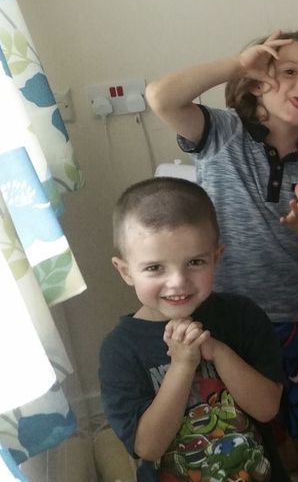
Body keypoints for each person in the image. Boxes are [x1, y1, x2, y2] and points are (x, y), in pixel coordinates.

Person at [145, 28, 298, 481]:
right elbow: (161, 97)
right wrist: (237, 64)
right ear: (258, 81)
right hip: (232, 315)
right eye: (290, 72)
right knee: (243, 419)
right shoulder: (221, 133)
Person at [99, 177, 287, 482]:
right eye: (154, 268)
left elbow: (267, 409)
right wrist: (182, 365)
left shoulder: (243, 316)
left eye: (195, 262)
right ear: (126, 271)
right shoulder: (119, 349)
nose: (178, 282)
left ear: (216, 258)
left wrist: (218, 351)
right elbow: (148, 447)